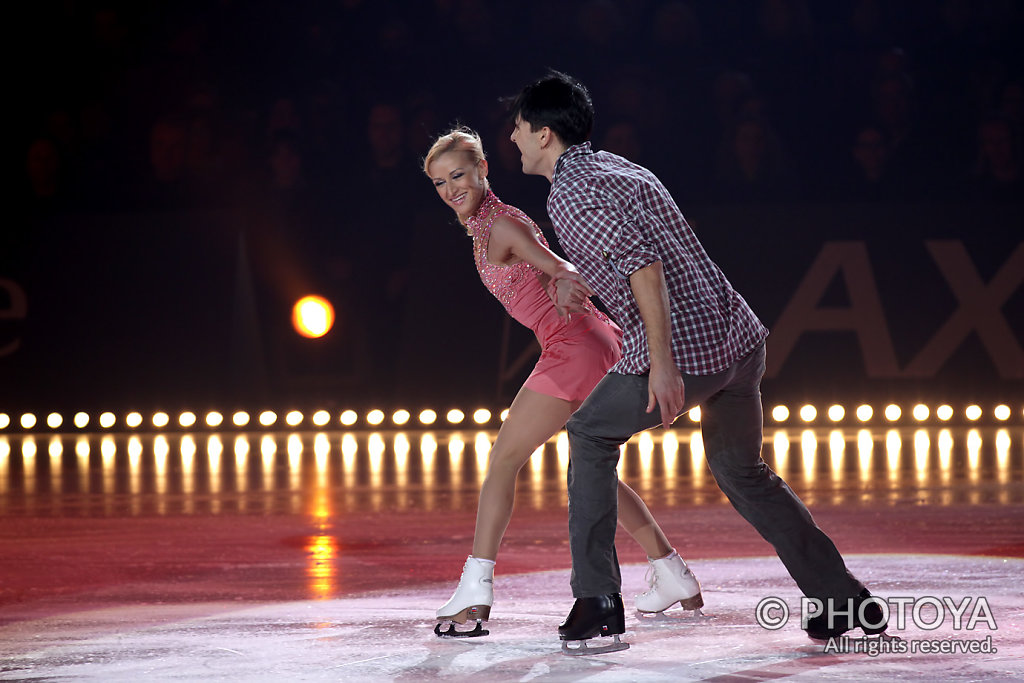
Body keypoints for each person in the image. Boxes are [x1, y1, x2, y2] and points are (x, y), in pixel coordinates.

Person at [507, 71, 888, 650]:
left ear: (542, 134)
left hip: (687, 350)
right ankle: (840, 596)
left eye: (516, 127)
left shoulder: (570, 192)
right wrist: (578, 277)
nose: (510, 138)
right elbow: (644, 248)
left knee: (587, 435)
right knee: (741, 470)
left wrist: (661, 364)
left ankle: (598, 600)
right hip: (737, 339)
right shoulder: (619, 169)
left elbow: (645, 268)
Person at [423, 128, 702, 647]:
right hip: (583, 343)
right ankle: (670, 571)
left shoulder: (501, 224)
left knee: (504, 460)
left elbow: (558, 265)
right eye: (439, 182)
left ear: (484, 169)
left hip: (573, 347)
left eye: (458, 175)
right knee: (589, 473)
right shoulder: (488, 226)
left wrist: (565, 276)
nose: (450, 189)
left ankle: (475, 589)